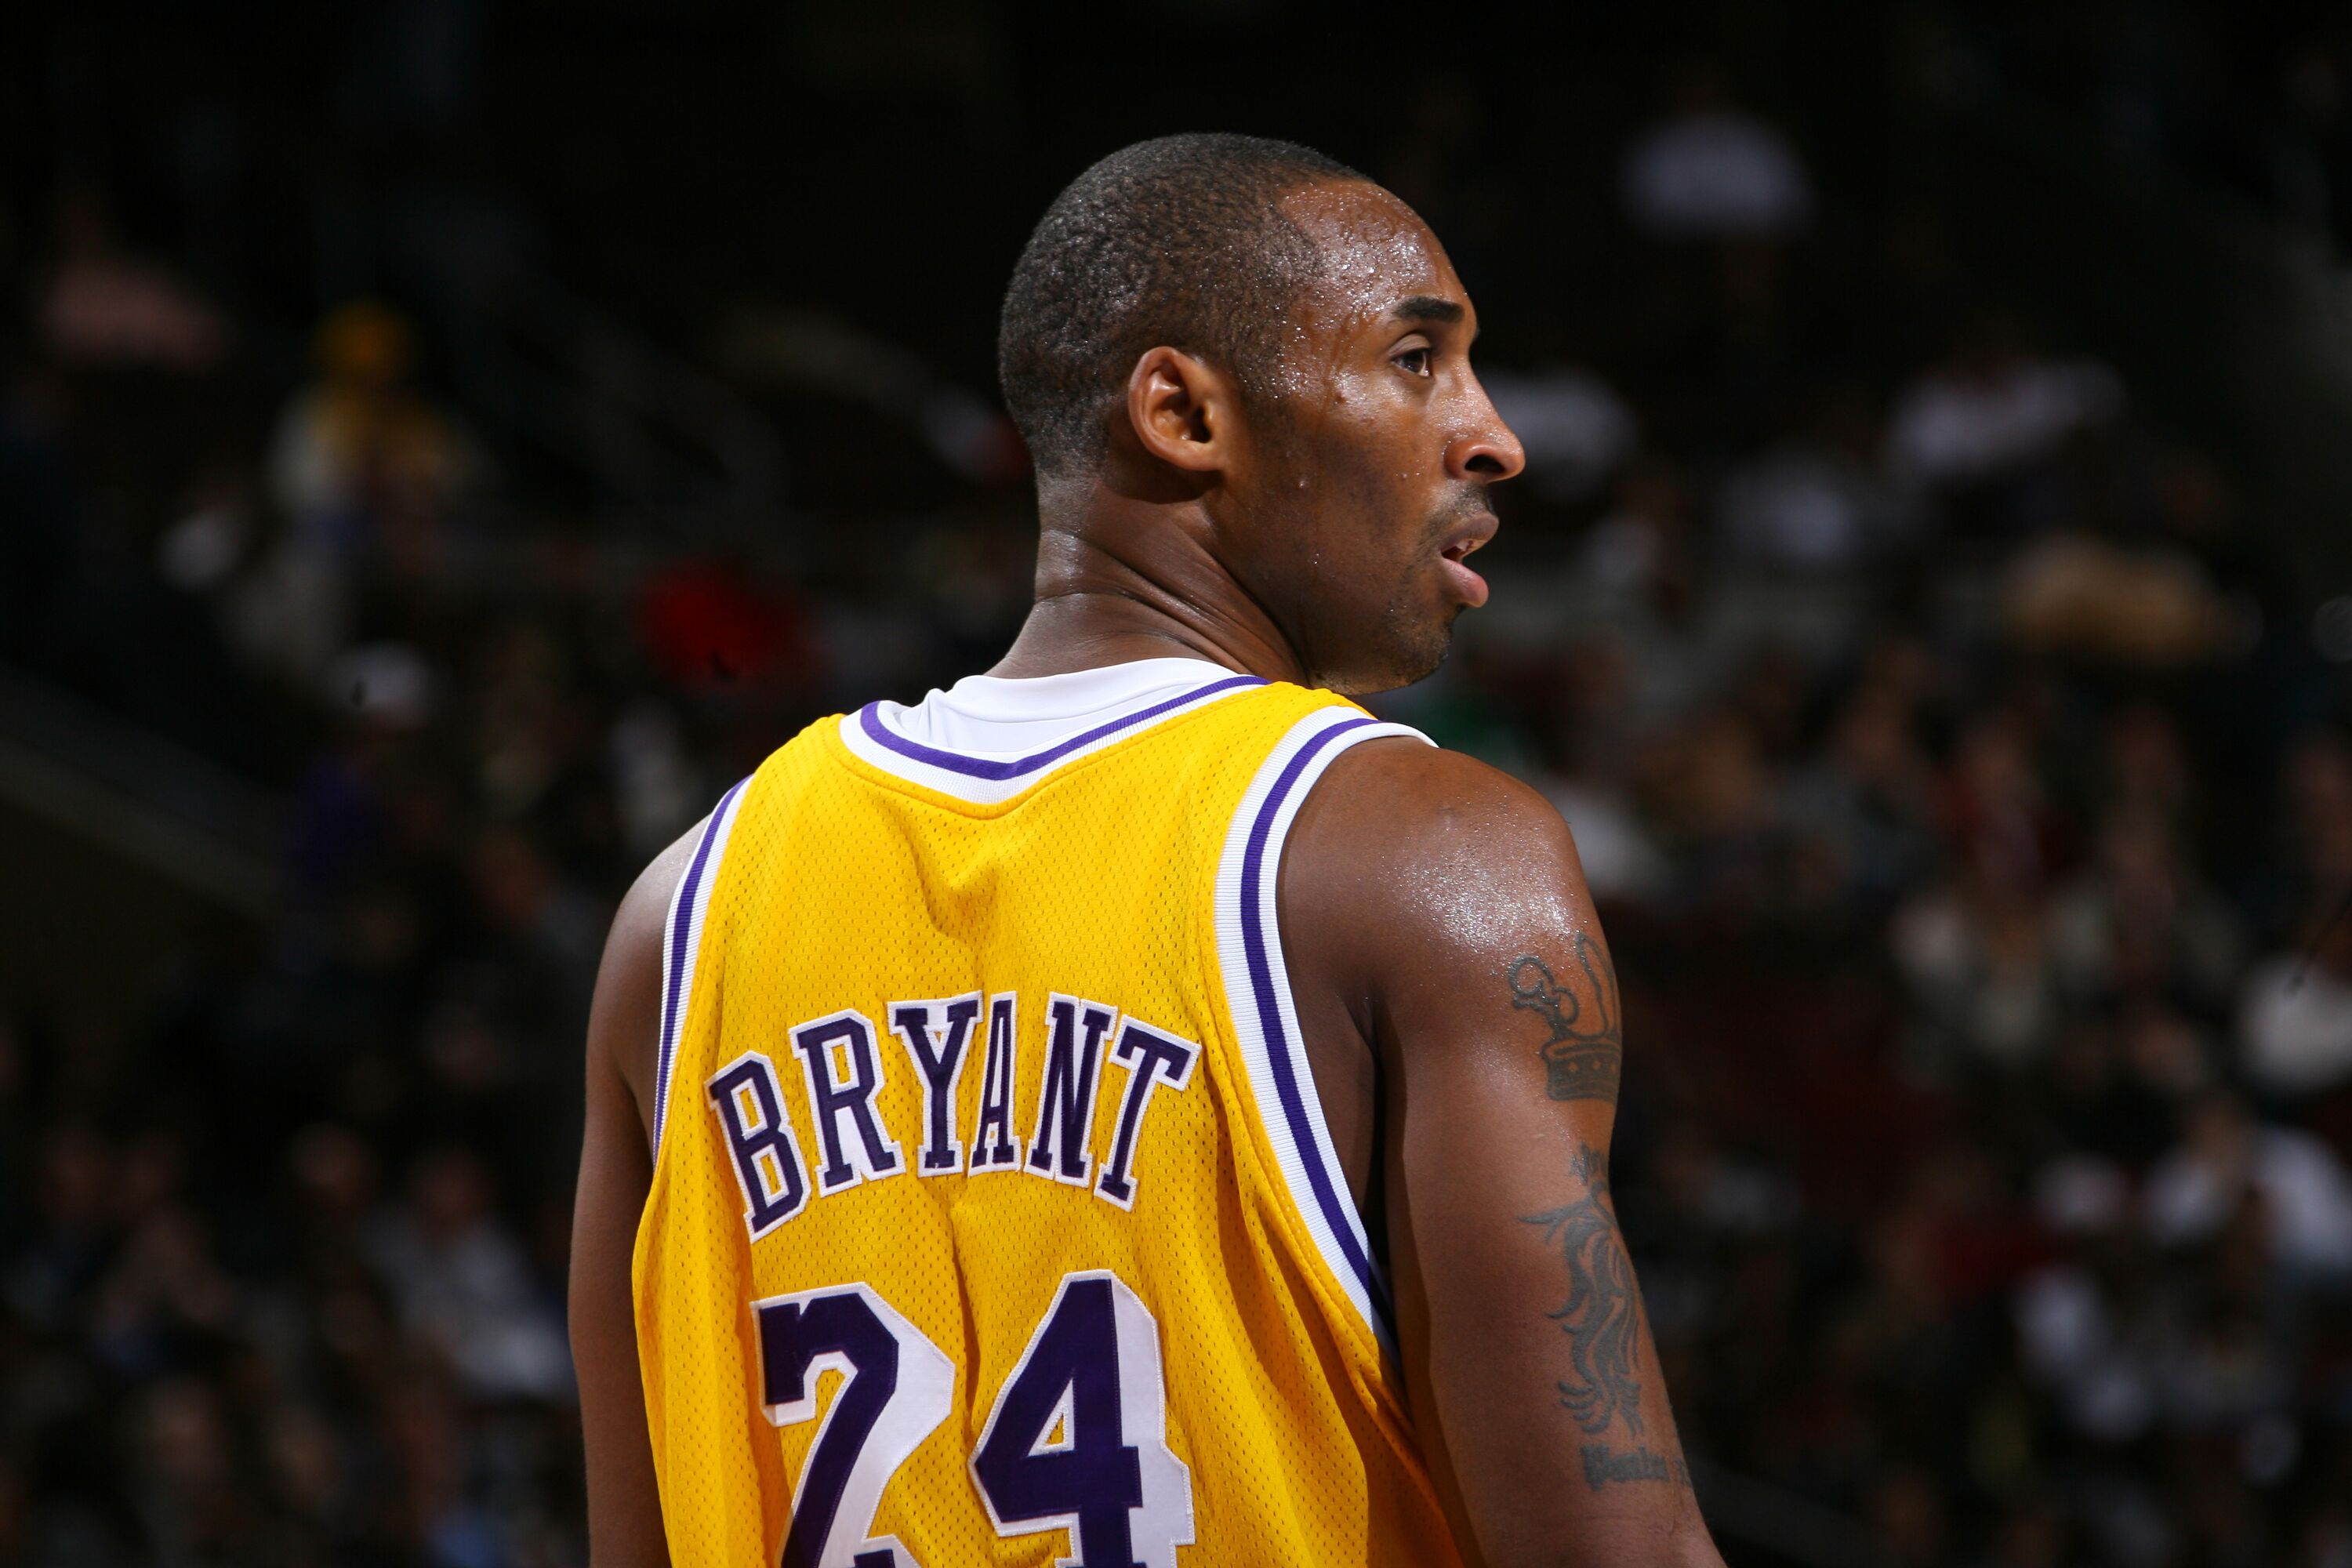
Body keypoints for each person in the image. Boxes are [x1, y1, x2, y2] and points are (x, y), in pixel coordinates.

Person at [570, 133, 1722, 1568]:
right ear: (1183, 412)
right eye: (1418, 358)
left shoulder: (680, 916)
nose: (1495, 435)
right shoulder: (1416, 858)